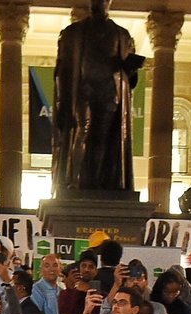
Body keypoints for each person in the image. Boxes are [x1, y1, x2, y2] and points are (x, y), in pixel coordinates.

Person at [52, 0, 142, 192]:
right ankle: (74, 180)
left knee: (102, 137)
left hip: (109, 93)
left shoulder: (122, 35)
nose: (98, 3)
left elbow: (129, 78)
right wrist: (62, 103)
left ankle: (100, 183)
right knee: (81, 130)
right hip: (83, 90)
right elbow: (62, 71)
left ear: (109, 2)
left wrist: (131, 69)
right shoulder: (73, 33)